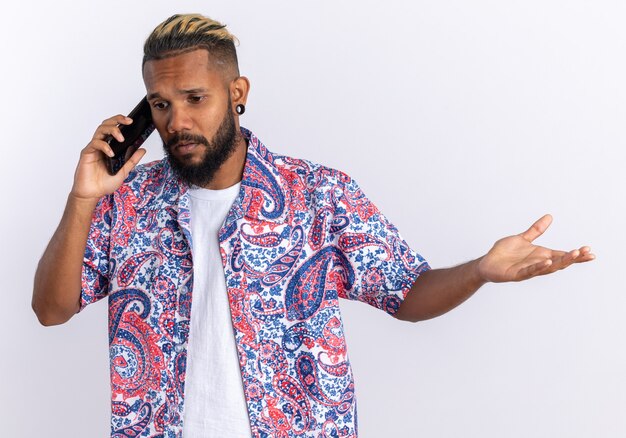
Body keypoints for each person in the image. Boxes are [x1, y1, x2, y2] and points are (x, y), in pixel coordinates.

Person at [31, 13, 594, 438]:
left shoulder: (319, 196)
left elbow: (405, 291)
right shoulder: (127, 202)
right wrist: (83, 198)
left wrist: (480, 271)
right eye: (158, 104)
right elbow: (50, 310)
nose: (176, 121)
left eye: (194, 98)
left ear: (237, 93)